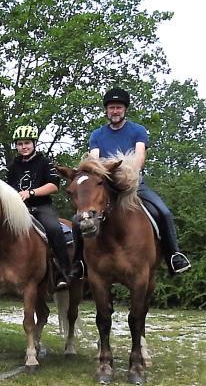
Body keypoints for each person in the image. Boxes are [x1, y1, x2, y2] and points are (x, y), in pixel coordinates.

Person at [74, 87, 191, 276]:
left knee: (164, 212)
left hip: (133, 184)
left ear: (125, 109)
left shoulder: (137, 130)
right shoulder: (97, 135)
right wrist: (105, 175)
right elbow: (94, 161)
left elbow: (139, 156)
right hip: (105, 186)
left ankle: (173, 255)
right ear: (106, 110)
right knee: (78, 219)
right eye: (111, 107)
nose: (115, 111)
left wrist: (128, 174)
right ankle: (79, 262)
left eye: (118, 107)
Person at [6, 125, 71, 289]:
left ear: (34, 143)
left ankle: (62, 272)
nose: (24, 147)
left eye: (27, 143)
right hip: (19, 209)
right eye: (20, 144)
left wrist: (31, 193)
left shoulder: (44, 162)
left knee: (54, 228)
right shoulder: (13, 165)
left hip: (41, 206)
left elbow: (54, 186)